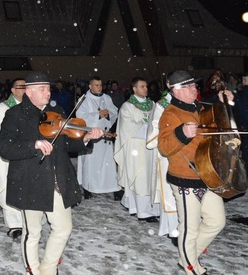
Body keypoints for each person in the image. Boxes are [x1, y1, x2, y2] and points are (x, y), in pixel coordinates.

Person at [0, 72, 104, 275]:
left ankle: (48, 267)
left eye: (48, 88)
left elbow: (67, 143)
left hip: (56, 179)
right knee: (33, 232)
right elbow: (5, 148)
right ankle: (33, 270)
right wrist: (34, 145)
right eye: (42, 89)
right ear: (28, 91)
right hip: (30, 180)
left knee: (63, 228)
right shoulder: (14, 115)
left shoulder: (57, 111)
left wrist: (86, 138)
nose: (48, 93)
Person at [158, 70, 231, 275]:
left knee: (217, 221)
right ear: (175, 91)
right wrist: (181, 133)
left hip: (208, 174)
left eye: (194, 86)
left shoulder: (201, 108)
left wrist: (225, 104)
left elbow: (218, 125)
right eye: (188, 87)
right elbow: (163, 147)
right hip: (185, 178)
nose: (194, 89)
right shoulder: (170, 113)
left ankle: (187, 256)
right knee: (190, 228)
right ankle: (192, 268)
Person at [114, 77, 160, 221]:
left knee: (149, 177)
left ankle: (132, 204)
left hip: (150, 147)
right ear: (134, 89)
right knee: (138, 178)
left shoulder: (152, 104)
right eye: (142, 86)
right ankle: (143, 211)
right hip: (134, 146)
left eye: (146, 86)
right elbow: (126, 127)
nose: (145, 89)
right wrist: (145, 125)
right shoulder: (127, 106)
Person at [0, 77, 25, 240]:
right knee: (9, 188)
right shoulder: (3, 108)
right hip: (9, 156)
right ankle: (14, 224)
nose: (24, 89)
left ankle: (27, 220)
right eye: (21, 87)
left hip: (26, 155)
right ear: (13, 90)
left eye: (26, 87)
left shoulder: (31, 107)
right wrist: (6, 152)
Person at [76, 76, 121, 200]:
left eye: (101, 85)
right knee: (90, 163)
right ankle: (88, 187)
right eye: (96, 85)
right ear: (90, 86)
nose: (99, 87)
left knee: (108, 164)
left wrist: (108, 115)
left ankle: (112, 187)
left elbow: (114, 111)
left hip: (105, 136)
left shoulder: (106, 98)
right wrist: (98, 116)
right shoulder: (84, 99)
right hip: (91, 135)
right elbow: (80, 116)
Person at [146, 90, 179, 244]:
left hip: (186, 153)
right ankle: (173, 229)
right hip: (168, 152)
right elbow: (155, 130)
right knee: (171, 192)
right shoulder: (162, 105)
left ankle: (184, 227)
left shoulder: (188, 103)